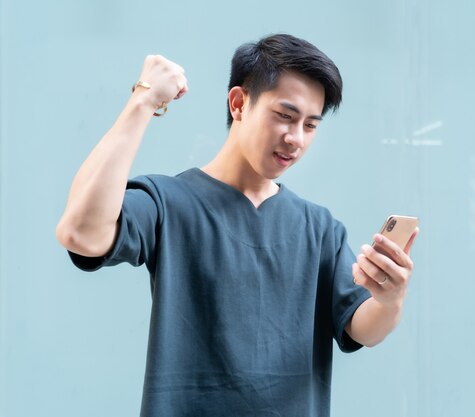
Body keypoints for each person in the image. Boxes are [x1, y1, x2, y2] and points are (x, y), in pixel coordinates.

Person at [56, 33, 418, 416]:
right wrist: (143, 100)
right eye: (285, 116)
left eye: (310, 125)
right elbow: (80, 232)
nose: (295, 138)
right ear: (239, 103)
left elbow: (361, 327)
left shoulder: (319, 228)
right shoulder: (168, 203)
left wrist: (389, 299)